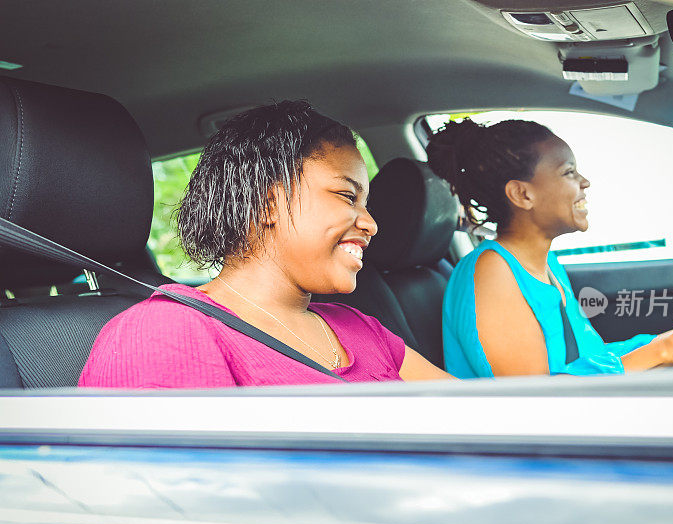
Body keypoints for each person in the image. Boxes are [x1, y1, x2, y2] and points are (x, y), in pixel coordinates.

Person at [80, 101, 450, 388]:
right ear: (267, 202)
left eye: (365, 204)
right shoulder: (163, 332)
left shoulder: (359, 327)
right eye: (345, 195)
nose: (370, 223)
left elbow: (482, 419)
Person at [426, 119, 673, 378]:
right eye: (568, 172)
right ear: (522, 194)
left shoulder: (546, 263)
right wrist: (665, 350)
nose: (584, 182)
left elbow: (590, 360)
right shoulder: (491, 274)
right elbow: (536, 404)